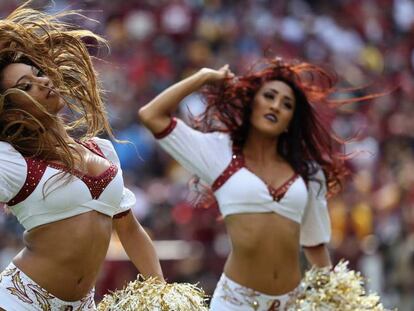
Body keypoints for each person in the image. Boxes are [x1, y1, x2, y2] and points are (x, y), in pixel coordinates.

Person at [138, 58, 365, 310]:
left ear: (291, 119)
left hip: (292, 304)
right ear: (252, 102)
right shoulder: (220, 152)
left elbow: (315, 244)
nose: (276, 106)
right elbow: (151, 116)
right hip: (236, 302)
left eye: (286, 104)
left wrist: (334, 299)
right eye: (269, 96)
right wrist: (204, 77)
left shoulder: (307, 172)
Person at [0, 3, 163, 310]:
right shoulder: (13, 161)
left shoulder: (102, 150)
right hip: (19, 302)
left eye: (38, 74)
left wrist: (164, 294)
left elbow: (128, 228)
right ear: (11, 110)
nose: (43, 82)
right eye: (25, 86)